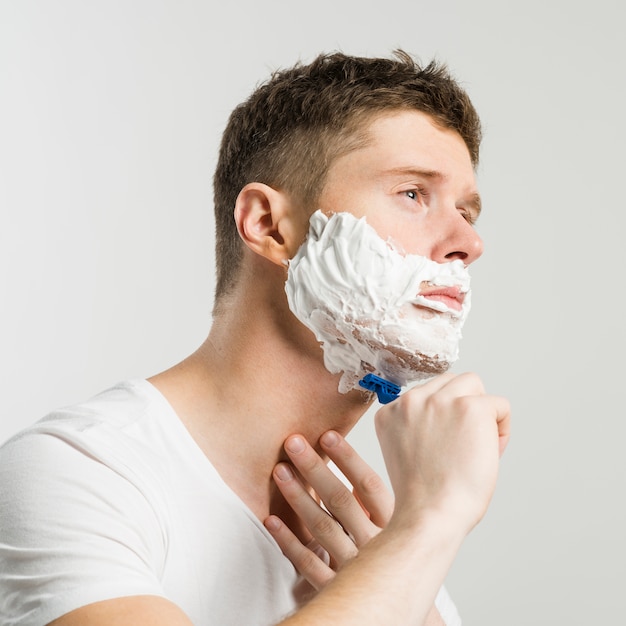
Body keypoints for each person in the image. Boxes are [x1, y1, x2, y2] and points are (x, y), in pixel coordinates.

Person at [0, 51, 510, 626]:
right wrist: (432, 521)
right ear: (267, 225)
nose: (468, 241)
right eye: (413, 193)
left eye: (468, 211)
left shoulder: (379, 558)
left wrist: (407, 570)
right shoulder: (77, 472)